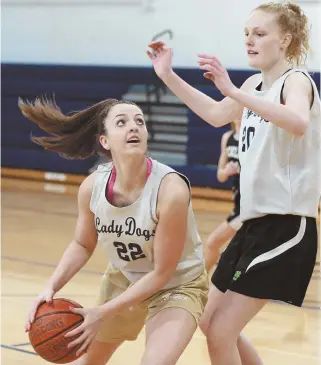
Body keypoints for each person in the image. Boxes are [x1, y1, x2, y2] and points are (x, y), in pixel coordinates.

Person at [147, 1, 320, 364]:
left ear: (285, 39)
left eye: (260, 34)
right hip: (252, 225)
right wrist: (167, 75)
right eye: (246, 34)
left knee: (222, 331)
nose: (250, 41)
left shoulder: (297, 81)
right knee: (210, 323)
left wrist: (235, 92)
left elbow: (299, 122)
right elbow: (214, 114)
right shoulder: (254, 84)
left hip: (287, 225)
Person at [21, 97, 208, 365]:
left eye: (139, 122)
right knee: (88, 362)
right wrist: (50, 287)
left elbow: (162, 273)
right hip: (125, 279)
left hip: (177, 284)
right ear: (104, 141)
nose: (134, 127)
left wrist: (102, 312)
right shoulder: (92, 187)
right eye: (121, 122)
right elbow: (82, 244)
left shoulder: (171, 190)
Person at [205, 119, 241, 272]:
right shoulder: (228, 137)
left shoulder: (254, 135)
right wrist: (227, 171)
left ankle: (197, 286)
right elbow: (220, 175)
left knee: (214, 242)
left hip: (251, 207)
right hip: (238, 206)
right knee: (213, 244)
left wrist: (243, 169)